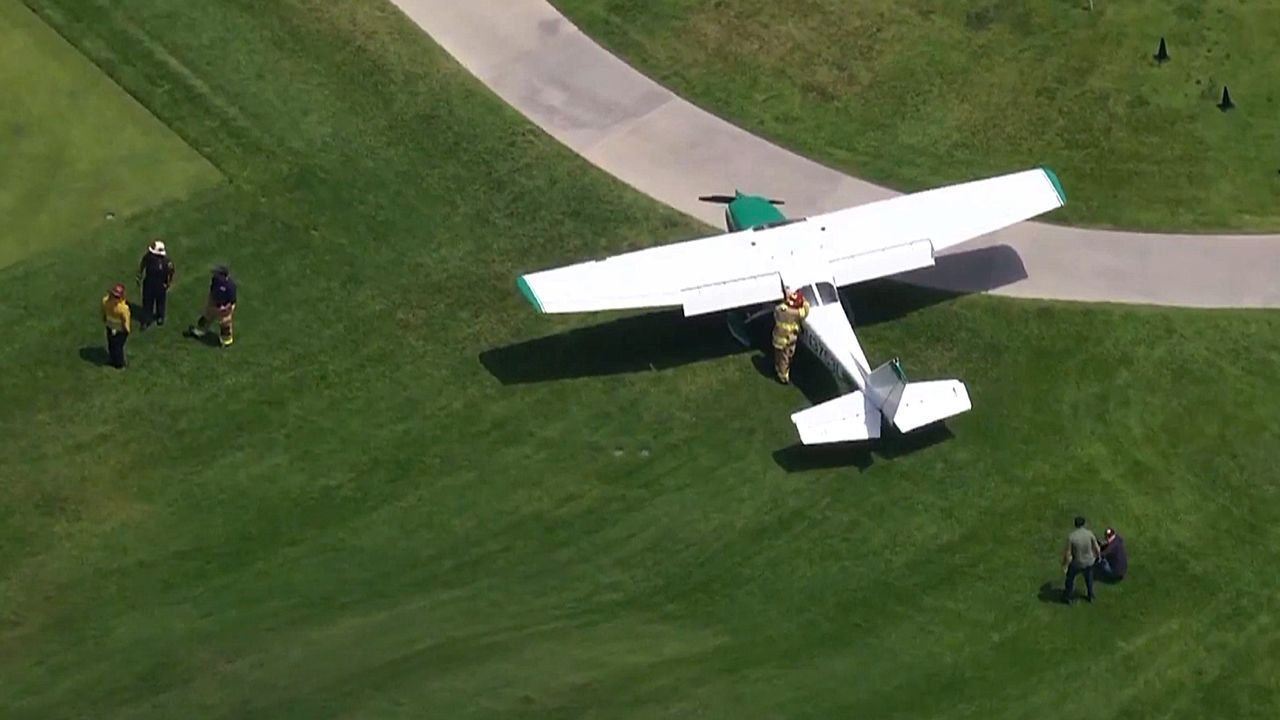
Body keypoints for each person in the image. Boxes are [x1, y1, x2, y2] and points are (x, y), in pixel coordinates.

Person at [187, 265, 237, 347]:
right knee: (207, 315)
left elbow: (232, 302)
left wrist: (224, 309)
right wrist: (210, 303)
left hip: (225, 306)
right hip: (215, 302)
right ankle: (200, 330)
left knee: (225, 322)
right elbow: (212, 291)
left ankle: (226, 339)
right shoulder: (215, 280)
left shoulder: (230, 286)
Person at [771, 288, 809, 383]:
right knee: (786, 358)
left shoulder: (779, 309)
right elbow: (806, 311)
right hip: (789, 339)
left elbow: (776, 313)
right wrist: (804, 301)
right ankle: (783, 377)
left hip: (777, 337)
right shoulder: (795, 313)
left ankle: (777, 368)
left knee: (778, 355)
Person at [1061, 515, 1101, 604]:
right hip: (1089, 562)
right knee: (1089, 579)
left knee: (1070, 579)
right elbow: (1097, 548)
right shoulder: (1089, 533)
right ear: (1084, 524)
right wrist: (1098, 557)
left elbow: (1068, 553)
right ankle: (1091, 595)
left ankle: (1068, 597)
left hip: (1077, 563)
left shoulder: (1072, 537)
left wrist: (1065, 565)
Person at [136, 239, 175, 328]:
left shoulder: (166, 261)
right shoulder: (148, 257)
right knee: (147, 302)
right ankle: (146, 319)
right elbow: (143, 264)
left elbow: (171, 272)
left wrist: (168, 283)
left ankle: (160, 316)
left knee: (160, 302)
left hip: (161, 284)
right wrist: (139, 275)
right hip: (149, 283)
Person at [101, 283, 132, 368]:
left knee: (118, 347)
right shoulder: (106, 301)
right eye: (114, 296)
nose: (115, 299)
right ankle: (112, 359)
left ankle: (119, 363)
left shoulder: (123, 308)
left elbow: (126, 320)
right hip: (110, 327)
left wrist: (126, 330)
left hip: (120, 330)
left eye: (117, 297)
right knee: (111, 344)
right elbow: (104, 311)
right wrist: (104, 318)